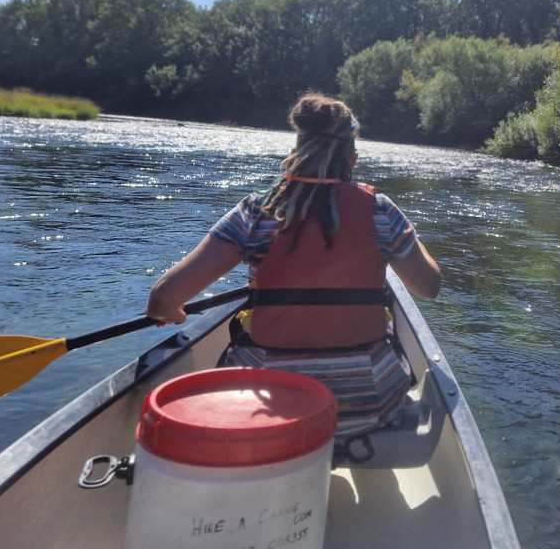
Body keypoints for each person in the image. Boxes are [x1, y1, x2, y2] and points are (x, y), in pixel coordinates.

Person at [146, 93, 440, 437]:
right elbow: (428, 287)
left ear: (294, 155)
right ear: (353, 160)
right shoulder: (381, 210)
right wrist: (399, 236)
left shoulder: (256, 210)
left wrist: (172, 312)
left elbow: (162, 300)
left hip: (270, 409)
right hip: (368, 403)